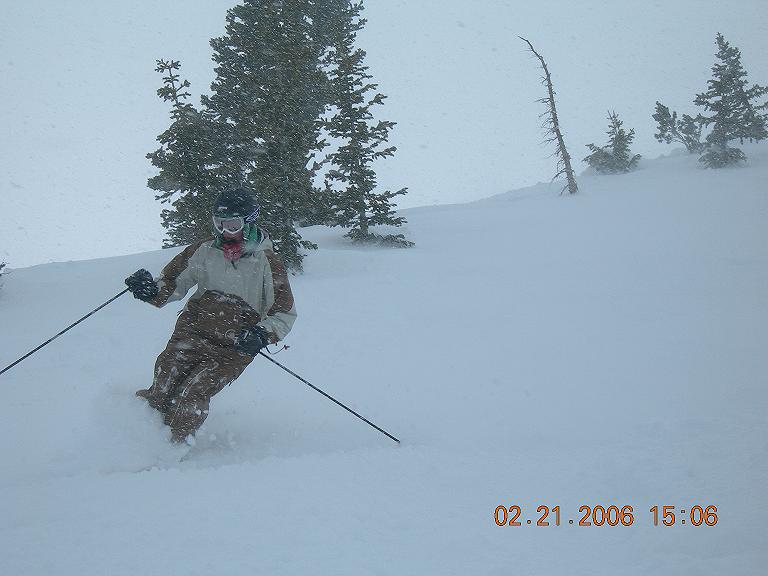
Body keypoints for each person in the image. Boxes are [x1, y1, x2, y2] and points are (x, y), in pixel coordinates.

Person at [125, 187, 297, 444]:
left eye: (232, 224)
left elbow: (283, 312)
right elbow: (172, 284)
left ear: (249, 222)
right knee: (164, 379)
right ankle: (137, 438)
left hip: (234, 344)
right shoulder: (204, 251)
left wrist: (261, 334)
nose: (224, 232)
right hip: (193, 331)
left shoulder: (267, 262)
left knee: (192, 392)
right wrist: (151, 290)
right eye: (219, 224)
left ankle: (170, 448)